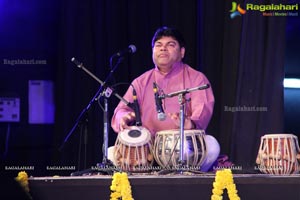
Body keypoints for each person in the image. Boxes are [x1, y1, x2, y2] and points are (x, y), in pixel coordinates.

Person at [110, 26, 220, 172]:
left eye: (170, 45)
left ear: (182, 52)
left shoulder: (196, 79)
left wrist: (190, 123)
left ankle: (190, 182)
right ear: (153, 51)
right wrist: (123, 118)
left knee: (212, 145)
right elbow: (121, 110)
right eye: (158, 45)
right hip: (148, 149)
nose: (163, 49)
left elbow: (203, 109)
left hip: (183, 148)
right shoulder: (140, 82)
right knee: (111, 153)